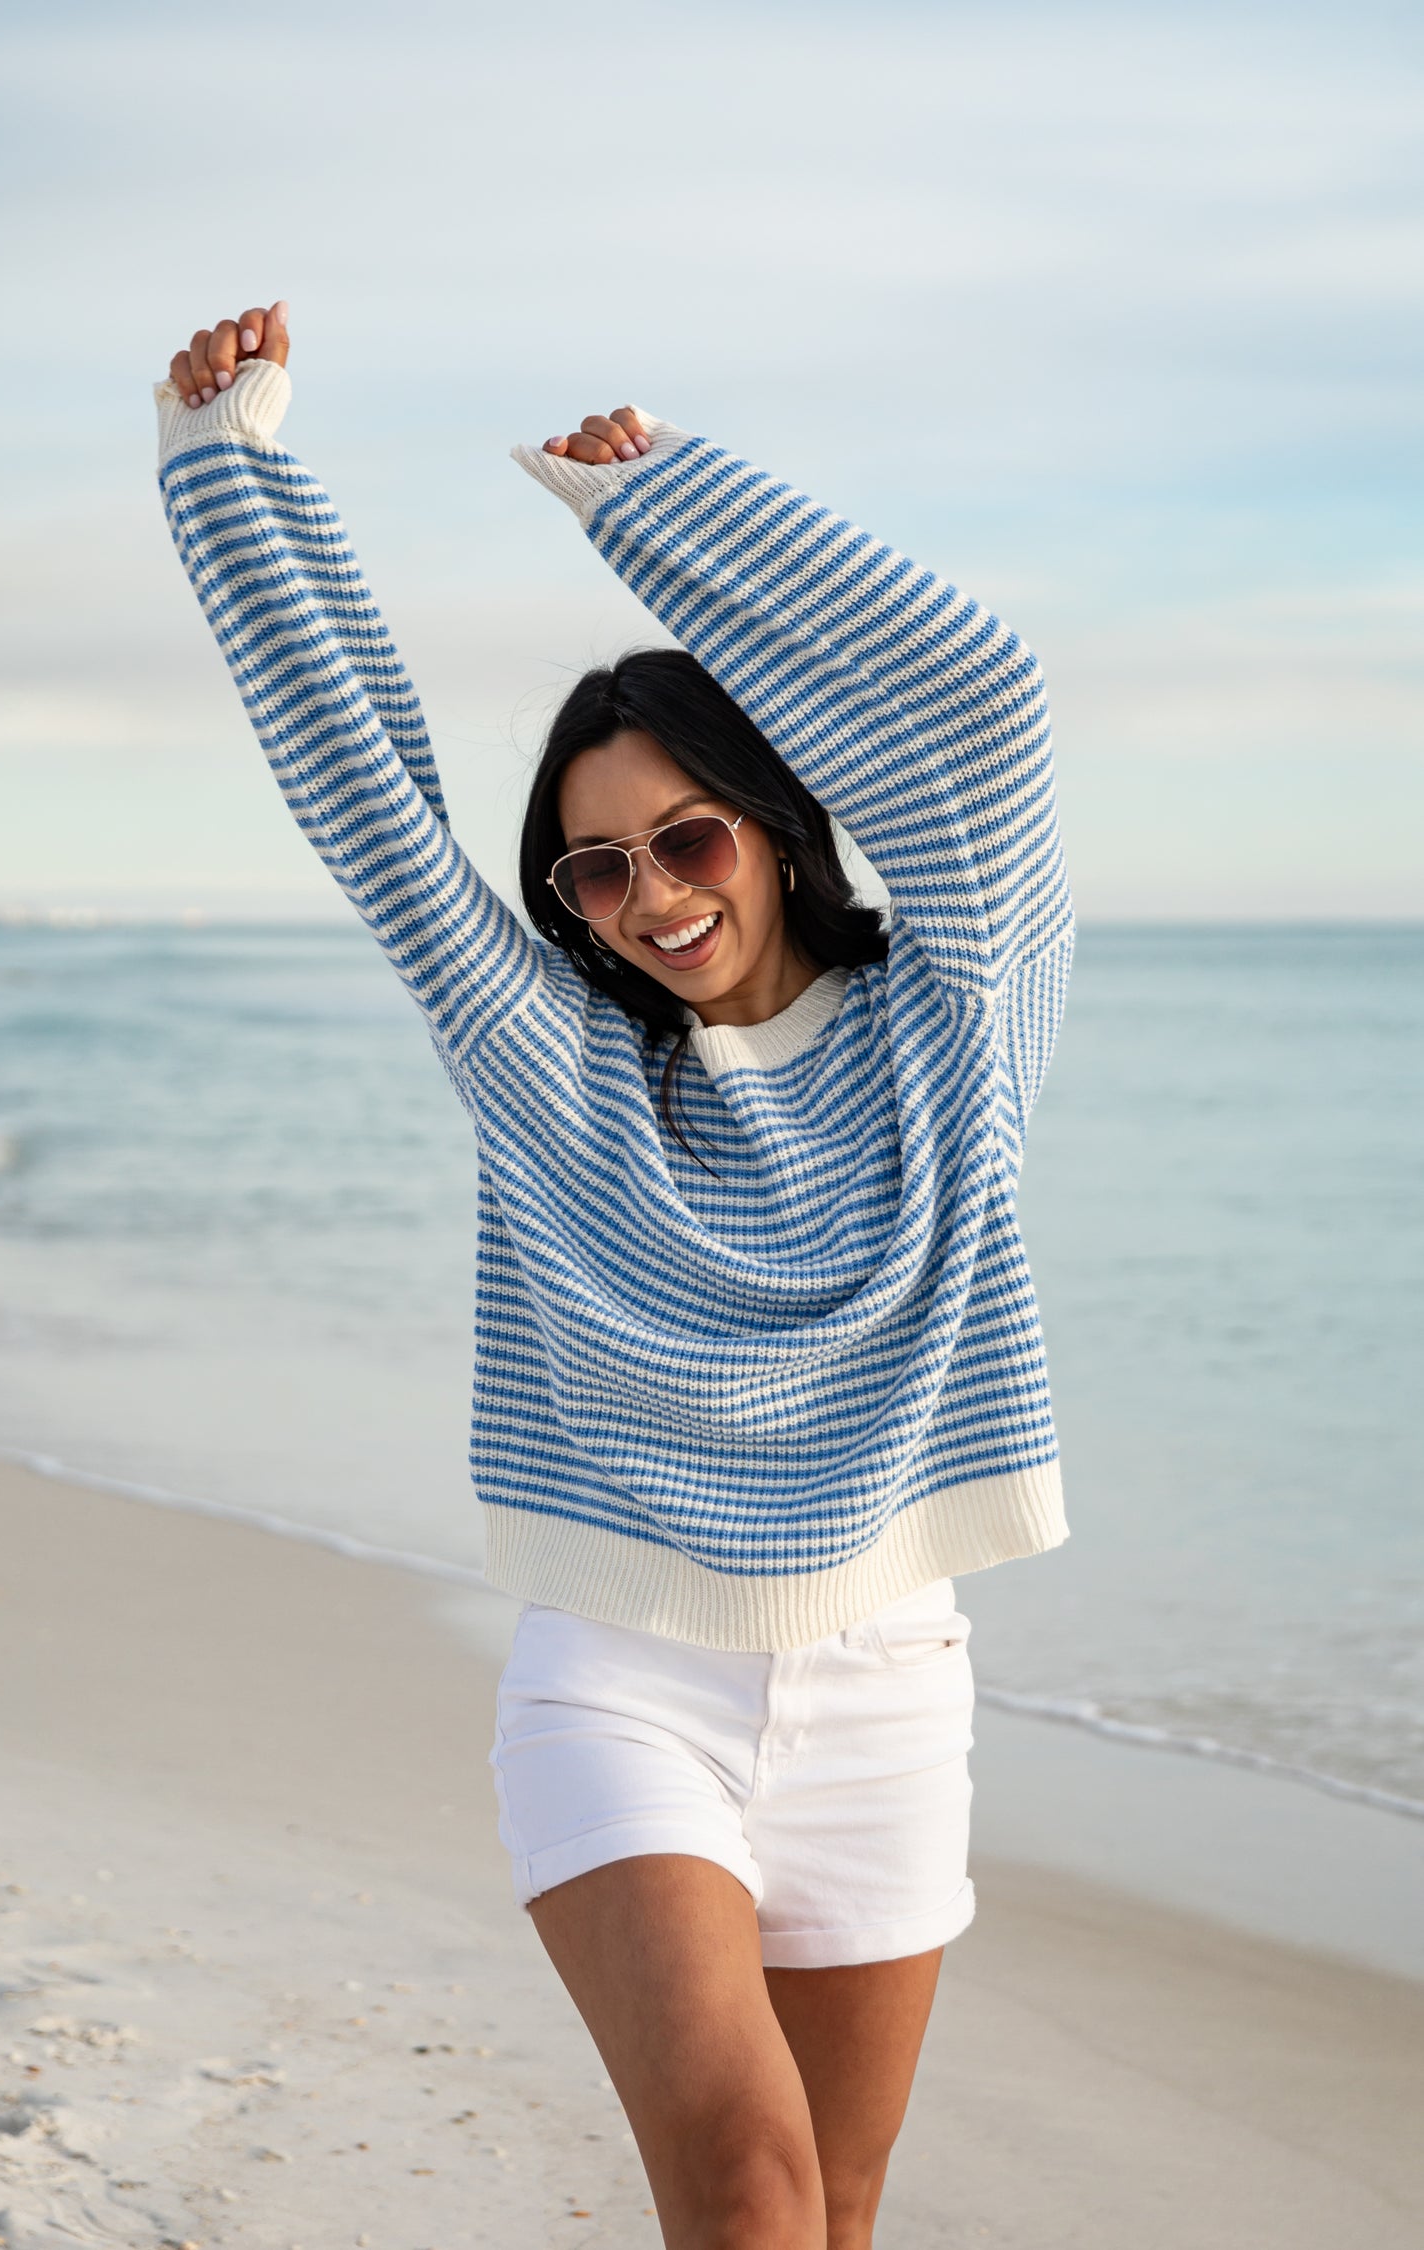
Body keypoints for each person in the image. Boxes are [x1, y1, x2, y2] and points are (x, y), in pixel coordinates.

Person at [155, 301, 1074, 2250]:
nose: (652, 895)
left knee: (837, 2206)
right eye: (597, 869)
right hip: (627, 1681)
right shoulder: (554, 1063)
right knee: (746, 2189)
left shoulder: (956, 1023)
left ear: (776, 825)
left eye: (688, 837)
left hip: (892, 1684)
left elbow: (986, 709)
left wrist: (669, 509)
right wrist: (229, 471)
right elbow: (371, 799)